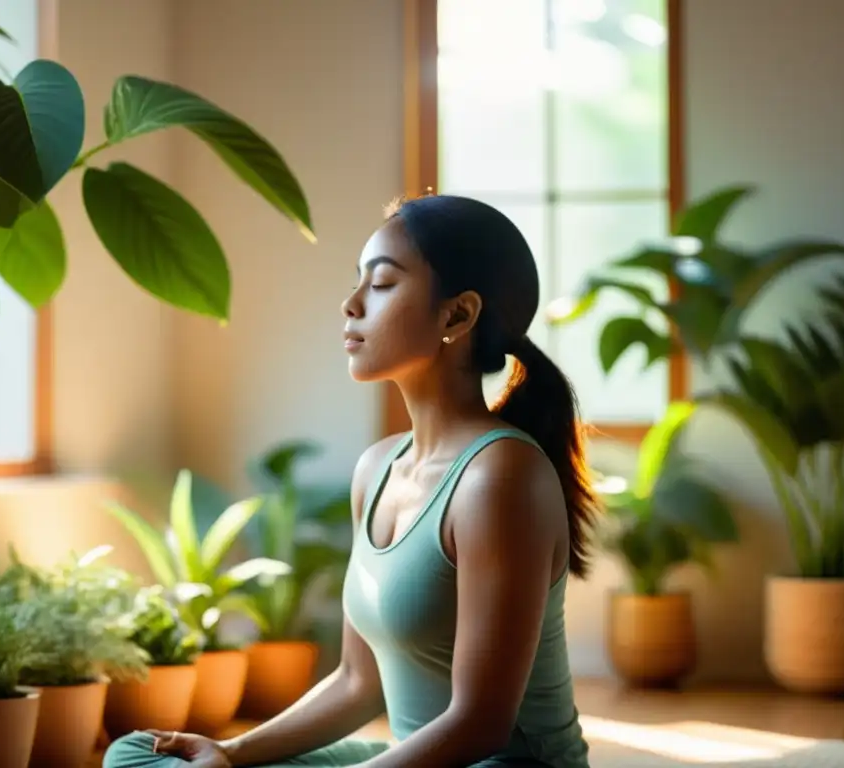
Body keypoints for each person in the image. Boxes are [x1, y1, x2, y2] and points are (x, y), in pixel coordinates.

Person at [104, 194, 599, 768]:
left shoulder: (500, 478)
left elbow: (479, 725)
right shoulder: (378, 468)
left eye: (383, 285)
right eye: (358, 282)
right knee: (138, 755)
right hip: (403, 759)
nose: (351, 304)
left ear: (457, 316)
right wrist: (231, 752)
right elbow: (354, 681)